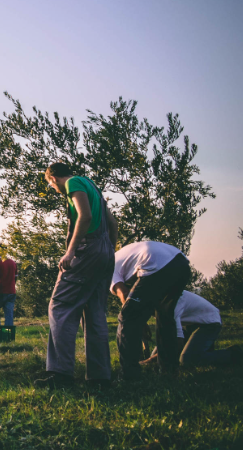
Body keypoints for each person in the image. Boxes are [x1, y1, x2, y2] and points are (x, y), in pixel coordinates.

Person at [35, 162, 118, 388]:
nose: (54, 189)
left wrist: (71, 251)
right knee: (95, 313)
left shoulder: (73, 183)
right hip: (105, 253)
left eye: (51, 185)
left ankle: (60, 374)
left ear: (53, 179)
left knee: (60, 305)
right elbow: (112, 222)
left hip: (87, 249)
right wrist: (108, 250)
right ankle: (100, 378)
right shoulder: (94, 188)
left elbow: (85, 216)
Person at [110, 239, 191, 380]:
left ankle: (129, 375)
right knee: (165, 316)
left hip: (155, 264)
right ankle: (169, 370)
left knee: (127, 318)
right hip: (181, 263)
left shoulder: (107, 266)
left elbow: (123, 294)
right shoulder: (121, 256)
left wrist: (139, 321)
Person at [137, 290, 238, 369]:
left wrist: (148, 360)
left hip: (209, 322)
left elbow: (177, 344)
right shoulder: (154, 302)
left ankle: (234, 353)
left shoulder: (170, 305)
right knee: (158, 357)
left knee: (187, 360)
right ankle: (203, 351)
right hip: (190, 324)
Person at [0, 245, 18, 328]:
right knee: (9, 314)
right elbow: (15, 278)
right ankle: (8, 336)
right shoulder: (13, 263)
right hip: (11, 292)